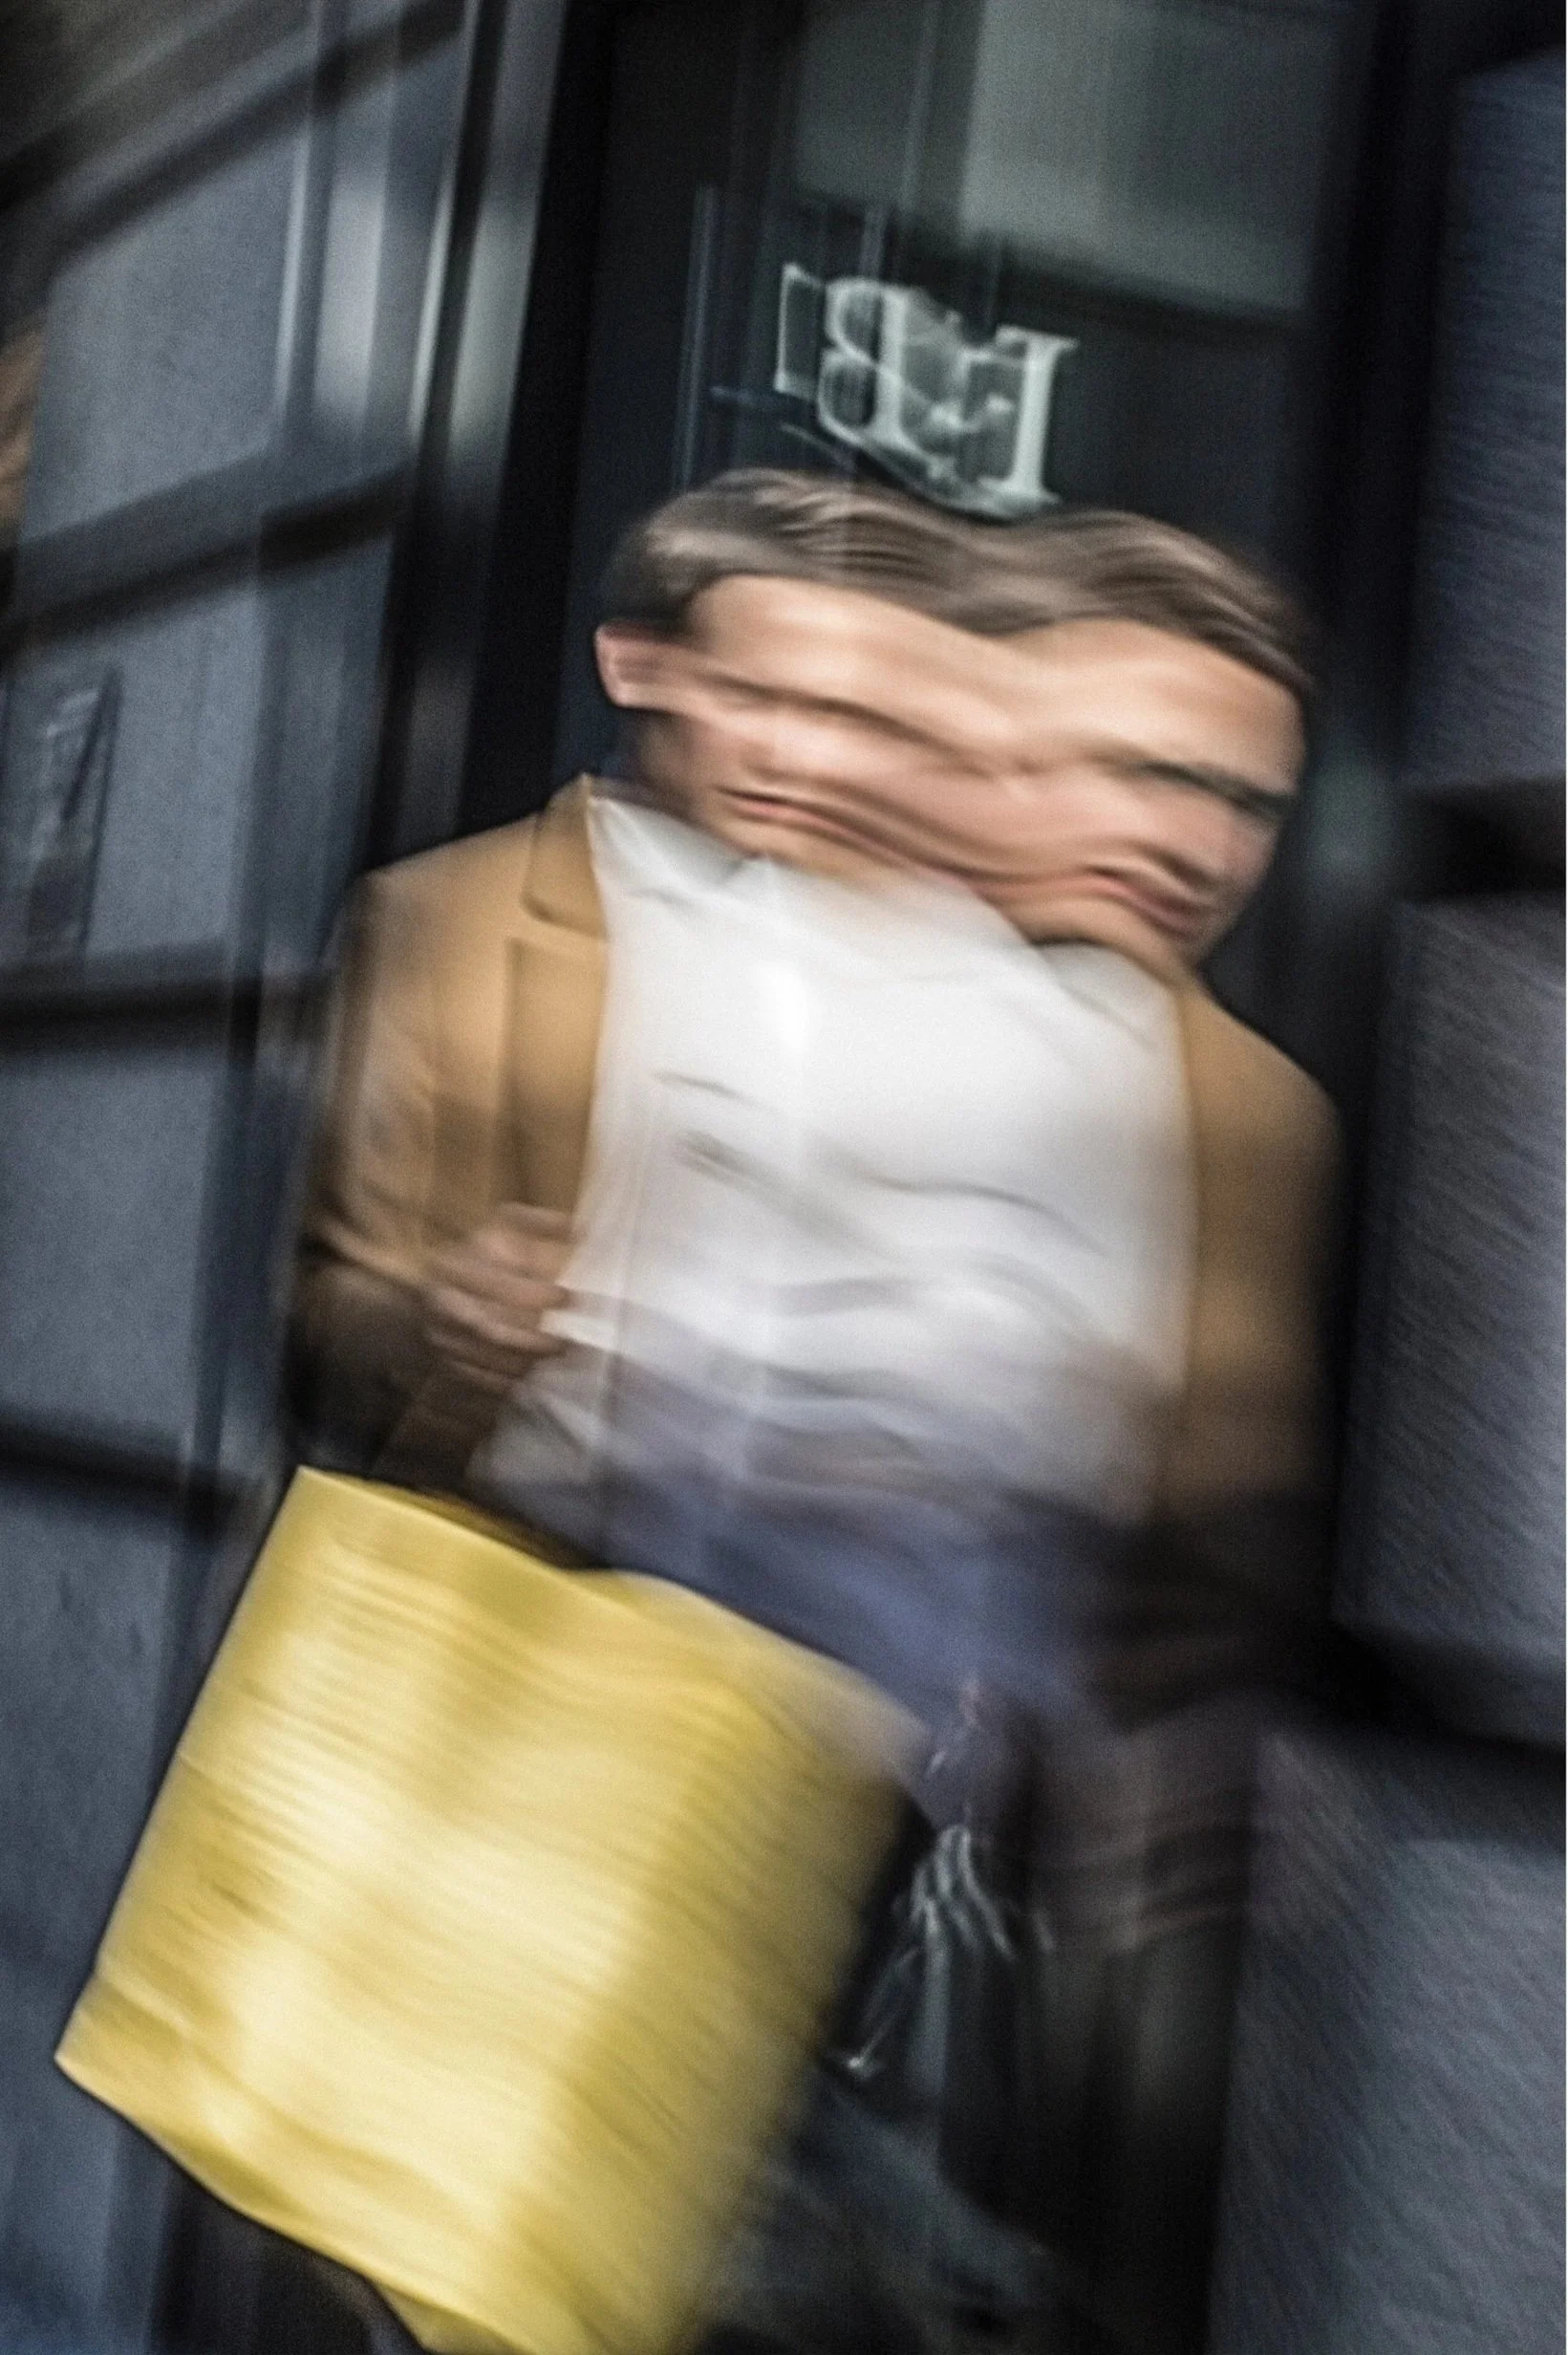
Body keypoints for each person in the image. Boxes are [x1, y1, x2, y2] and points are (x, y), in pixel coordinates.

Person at [289, 469, 1339, 2355]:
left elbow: (1220, 1532)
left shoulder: (1248, 1113)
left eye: (1238, 798)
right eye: (1126, 768)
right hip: (586, 1784)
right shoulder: (672, 966)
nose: (1184, 840)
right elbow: (369, 1339)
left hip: (986, 1892)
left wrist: (1182, 1741)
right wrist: (469, 1335)